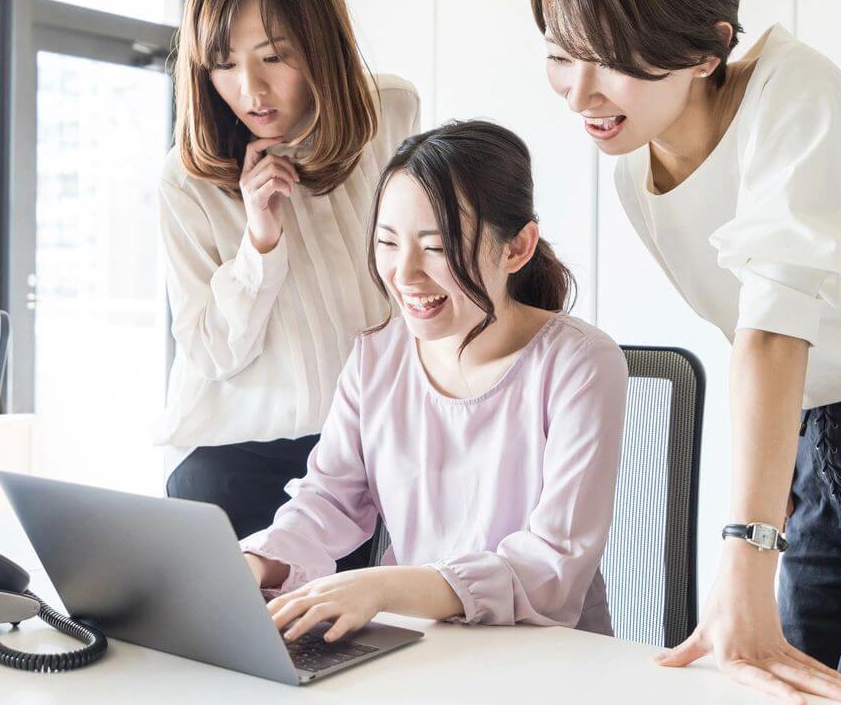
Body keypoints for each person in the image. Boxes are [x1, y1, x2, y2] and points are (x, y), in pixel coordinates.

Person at [533, 0, 841, 701]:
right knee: (783, 678)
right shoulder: (635, 170)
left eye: (612, 58)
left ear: (707, 51)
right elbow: (762, 346)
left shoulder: (792, 93)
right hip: (823, 433)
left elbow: (773, 334)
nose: (579, 93)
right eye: (562, 55)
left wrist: (741, 553)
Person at [240, 120, 628, 641]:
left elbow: (549, 568)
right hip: (419, 644)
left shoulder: (580, 363)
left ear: (516, 248)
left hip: (544, 658)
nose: (405, 274)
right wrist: (255, 562)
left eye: (437, 247)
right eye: (387, 242)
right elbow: (328, 499)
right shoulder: (376, 356)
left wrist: (380, 588)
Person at [159, 0, 419, 546]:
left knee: (383, 639)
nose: (251, 89)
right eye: (224, 64)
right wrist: (260, 242)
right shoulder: (186, 181)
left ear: (320, 43)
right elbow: (212, 355)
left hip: (374, 453)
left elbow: (419, 277)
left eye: (274, 56)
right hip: (236, 467)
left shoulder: (391, 116)